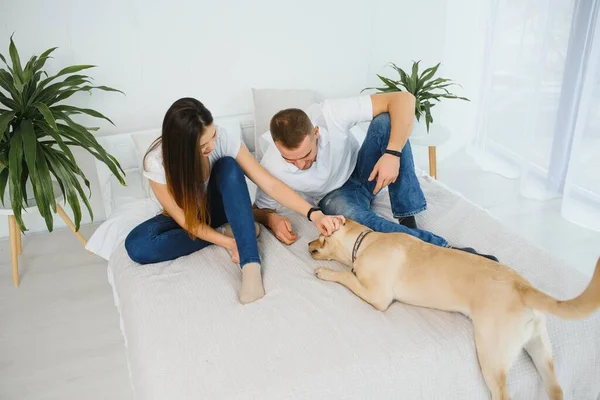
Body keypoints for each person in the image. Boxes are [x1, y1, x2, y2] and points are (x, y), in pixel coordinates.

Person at [125, 98, 344, 304]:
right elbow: (185, 222)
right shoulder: (156, 163)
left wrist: (314, 213)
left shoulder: (222, 138)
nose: (213, 143)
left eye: (213, 134)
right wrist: (227, 242)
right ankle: (232, 230)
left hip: (220, 207)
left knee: (228, 164)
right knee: (137, 244)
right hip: (190, 216)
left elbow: (270, 183)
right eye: (204, 145)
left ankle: (250, 263)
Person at [253, 92, 497, 261]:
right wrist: (271, 219)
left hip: (364, 170)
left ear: (316, 133)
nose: (301, 164)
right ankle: (444, 250)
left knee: (386, 120)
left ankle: (406, 218)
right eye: (290, 159)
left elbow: (404, 99)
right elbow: (257, 209)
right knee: (356, 216)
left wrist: (392, 154)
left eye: (306, 155)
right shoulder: (271, 164)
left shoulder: (330, 114)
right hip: (333, 198)